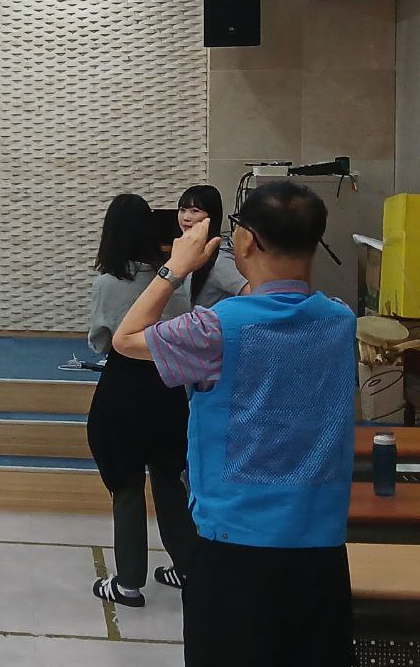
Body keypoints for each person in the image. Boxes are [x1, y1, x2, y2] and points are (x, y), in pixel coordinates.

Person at [112, 181, 357, 666]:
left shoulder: (217, 328)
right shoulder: (341, 322)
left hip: (234, 550)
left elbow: (126, 338)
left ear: (247, 241)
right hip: (320, 551)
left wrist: (175, 268)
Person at [85, 194, 197, 607]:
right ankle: (187, 567)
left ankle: (128, 581)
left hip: (122, 389)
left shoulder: (106, 282)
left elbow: (100, 340)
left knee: (127, 485)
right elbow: (184, 329)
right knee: (170, 479)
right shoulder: (174, 280)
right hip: (168, 387)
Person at [176, 184, 249, 307]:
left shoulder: (220, 260)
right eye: (182, 210)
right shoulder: (186, 252)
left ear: (212, 216)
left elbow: (255, 295)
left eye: (195, 211)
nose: (186, 217)